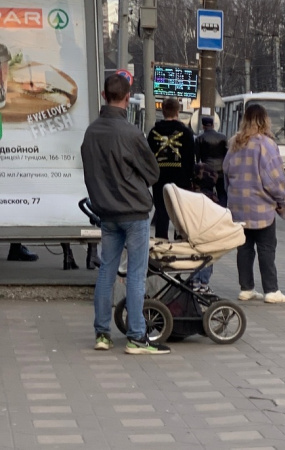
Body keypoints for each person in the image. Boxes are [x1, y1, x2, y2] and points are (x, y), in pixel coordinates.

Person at [80, 74, 169, 354]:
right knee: (135, 274)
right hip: (134, 211)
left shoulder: (91, 132)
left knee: (106, 270)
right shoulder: (131, 133)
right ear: (127, 97)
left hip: (106, 211)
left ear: (104, 95)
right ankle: (136, 337)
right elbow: (153, 173)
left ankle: (102, 334)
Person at [224, 104, 285, 304]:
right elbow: (274, 178)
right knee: (266, 247)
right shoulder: (266, 144)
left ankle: (246, 288)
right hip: (262, 208)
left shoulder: (234, 143)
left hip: (238, 206)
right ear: (264, 120)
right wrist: (282, 198)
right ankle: (271, 290)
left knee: (244, 248)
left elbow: (226, 173)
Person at [148, 98, 195, 240]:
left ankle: (161, 243)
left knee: (162, 212)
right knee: (180, 212)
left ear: (162, 111)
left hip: (159, 179)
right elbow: (190, 158)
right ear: (177, 111)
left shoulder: (153, 132)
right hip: (180, 179)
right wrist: (189, 178)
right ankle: (180, 240)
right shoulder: (186, 133)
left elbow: (148, 157)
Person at [189, 162, 219, 294]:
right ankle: (204, 283)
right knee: (207, 258)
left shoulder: (189, 196)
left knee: (194, 257)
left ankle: (194, 280)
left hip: (193, 234)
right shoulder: (212, 198)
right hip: (208, 235)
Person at [195, 116, 229, 207]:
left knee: (207, 193)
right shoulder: (223, 137)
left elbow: (197, 157)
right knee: (222, 193)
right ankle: (223, 210)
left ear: (203, 126)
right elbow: (227, 154)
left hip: (207, 171)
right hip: (221, 170)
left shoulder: (199, 138)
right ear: (213, 125)